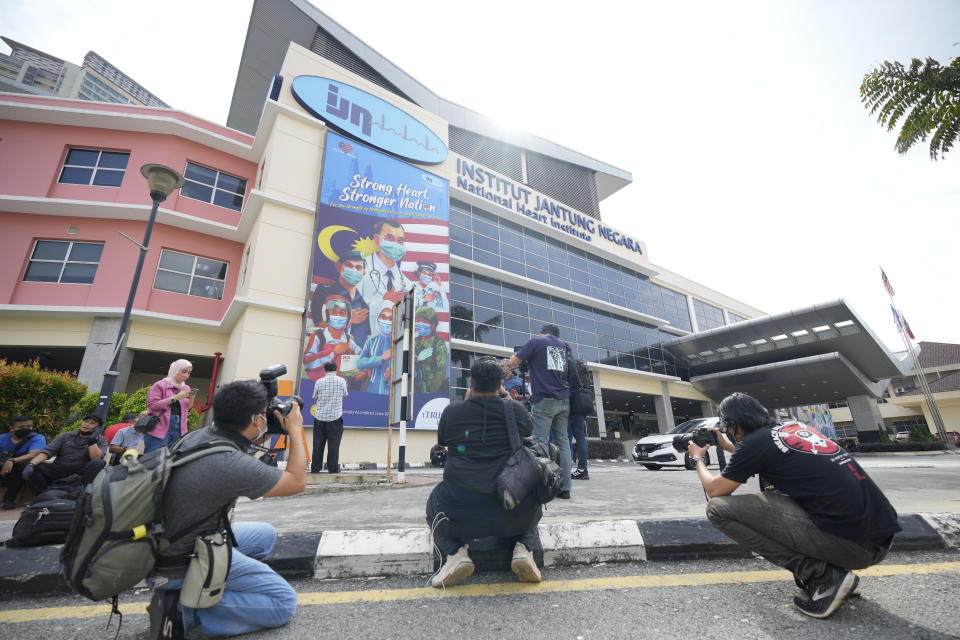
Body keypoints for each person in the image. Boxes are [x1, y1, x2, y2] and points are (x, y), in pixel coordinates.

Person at [689, 392, 901, 619]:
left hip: (854, 548)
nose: (727, 432)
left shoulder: (754, 445)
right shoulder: (792, 428)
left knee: (718, 509)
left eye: (726, 427)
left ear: (733, 424)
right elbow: (765, 455)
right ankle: (832, 574)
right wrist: (729, 446)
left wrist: (698, 459)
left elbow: (715, 491)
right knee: (777, 493)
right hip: (879, 540)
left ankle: (822, 577)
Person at [148, 379, 306, 639]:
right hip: (181, 561)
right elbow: (296, 481)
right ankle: (184, 610)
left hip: (164, 542)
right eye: (264, 415)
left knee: (264, 534)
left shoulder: (201, 436)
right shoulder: (228, 463)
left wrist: (268, 428)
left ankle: (211, 585)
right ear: (257, 420)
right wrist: (296, 429)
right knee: (282, 603)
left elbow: (240, 447)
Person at [426, 357, 543, 587]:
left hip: (461, 511)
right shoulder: (517, 411)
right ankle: (524, 548)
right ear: (501, 384)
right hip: (511, 509)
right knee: (533, 495)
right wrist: (506, 397)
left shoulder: (452, 412)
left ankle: (454, 553)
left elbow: (445, 442)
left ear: (472, 382)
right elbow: (528, 433)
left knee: (433, 504)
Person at [508, 324, 573, 499]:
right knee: (564, 443)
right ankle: (566, 488)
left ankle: (543, 487)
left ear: (542, 332)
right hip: (564, 399)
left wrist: (511, 358)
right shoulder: (563, 346)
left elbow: (513, 363)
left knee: (540, 443)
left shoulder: (537, 341)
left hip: (545, 399)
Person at [23, 414, 106, 494]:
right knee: (31, 466)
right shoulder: (67, 435)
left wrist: (92, 441)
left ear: (98, 428)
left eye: (92, 423)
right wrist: (31, 464)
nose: (87, 424)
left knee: (99, 463)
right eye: (86, 421)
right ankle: (43, 494)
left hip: (79, 472)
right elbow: (48, 452)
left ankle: (80, 493)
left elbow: (96, 459)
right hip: (60, 468)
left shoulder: (101, 440)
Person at [311, 250, 370, 347]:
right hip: (329, 354)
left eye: (358, 267)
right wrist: (349, 320)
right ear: (338, 267)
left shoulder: (365, 303)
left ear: (363, 273)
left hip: (357, 357)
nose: (354, 270)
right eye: (349, 265)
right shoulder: (325, 291)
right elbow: (318, 324)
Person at [358, 219, 411, 318]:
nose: (396, 244)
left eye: (400, 241)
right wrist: (384, 300)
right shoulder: (359, 268)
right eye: (390, 238)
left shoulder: (407, 283)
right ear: (377, 239)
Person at [303, 295, 361, 383]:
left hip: (340, 386)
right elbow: (308, 362)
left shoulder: (348, 340)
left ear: (348, 317)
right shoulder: (318, 337)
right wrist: (333, 353)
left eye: (342, 312)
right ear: (327, 315)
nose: (338, 316)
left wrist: (360, 371)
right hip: (317, 384)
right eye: (334, 312)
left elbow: (362, 357)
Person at [145, 359, 195, 453]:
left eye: (189, 373)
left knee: (173, 459)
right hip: (159, 427)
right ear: (175, 370)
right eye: (183, 371)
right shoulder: (160, 385)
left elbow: (187, 410)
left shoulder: (186, 387)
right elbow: (153, 405)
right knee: (153, 458)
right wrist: (175, 398)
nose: (186, 375)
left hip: (180, 429)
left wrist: (192, 397)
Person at [0, 415, 46, 509]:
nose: (26, 429)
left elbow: (33, 454)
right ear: (12, 428)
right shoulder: (2, 438)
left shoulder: (37, 438)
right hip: (3, 468)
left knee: (21, 466)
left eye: (29, 427)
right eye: (21, 427)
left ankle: (9, 499)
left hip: (22, 471)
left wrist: (12, 460)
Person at [311, 361, 348, 473]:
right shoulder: (341, 381)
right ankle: (332, 468)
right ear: (336, 369)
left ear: (325, 370)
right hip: (335, 417)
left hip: (319, 417)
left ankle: (315, 468)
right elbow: (345, 394)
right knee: (334, 444)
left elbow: (314, 396)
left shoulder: (319, 381)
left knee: (318, 444)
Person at [355, 302, 393, 394]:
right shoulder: (371, 341)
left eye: (391, 318)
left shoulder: (401, 343)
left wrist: (396, 373)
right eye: (383, 317)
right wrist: (380, 358)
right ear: (377, 318)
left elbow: (413, 373)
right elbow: (359, 363)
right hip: (372, 390)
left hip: (392, 393)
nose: (386, 321)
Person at [413, 306, 448, 394]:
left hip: (430, 390)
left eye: (423, 322)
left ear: (433, 325)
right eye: (417, 321)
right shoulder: (414, 342)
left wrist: (431, 391)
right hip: (414, 388)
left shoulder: (438, 344)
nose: (419, 324)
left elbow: (441, 372)